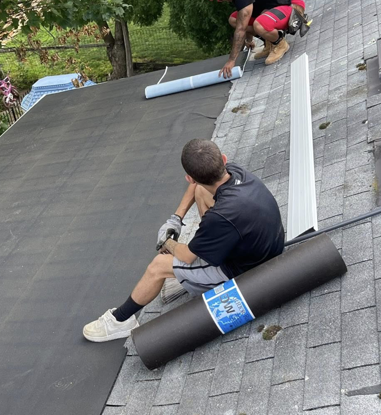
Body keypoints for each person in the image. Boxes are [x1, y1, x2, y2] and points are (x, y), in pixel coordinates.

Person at [83, 139, 285, 342]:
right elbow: (198, 187)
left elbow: (187, 256)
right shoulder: (236, 172)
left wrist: (167, 242)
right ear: (223, 159)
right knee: (202, 190)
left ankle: (120, 321)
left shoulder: (220, 217)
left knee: (158, 265)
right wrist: (176, 220)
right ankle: (203, 253)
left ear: (188, 178)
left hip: (247, 271)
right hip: (263, 245)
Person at [207, 0, 311, 75]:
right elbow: (244, 19)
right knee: (234, 19)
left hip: (293, 7)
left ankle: (280, 44)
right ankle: (269, 42)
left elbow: (241, 29)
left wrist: (231, 60)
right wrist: (249, 40)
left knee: (259, 24)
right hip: (276, 8)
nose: (220, 0)